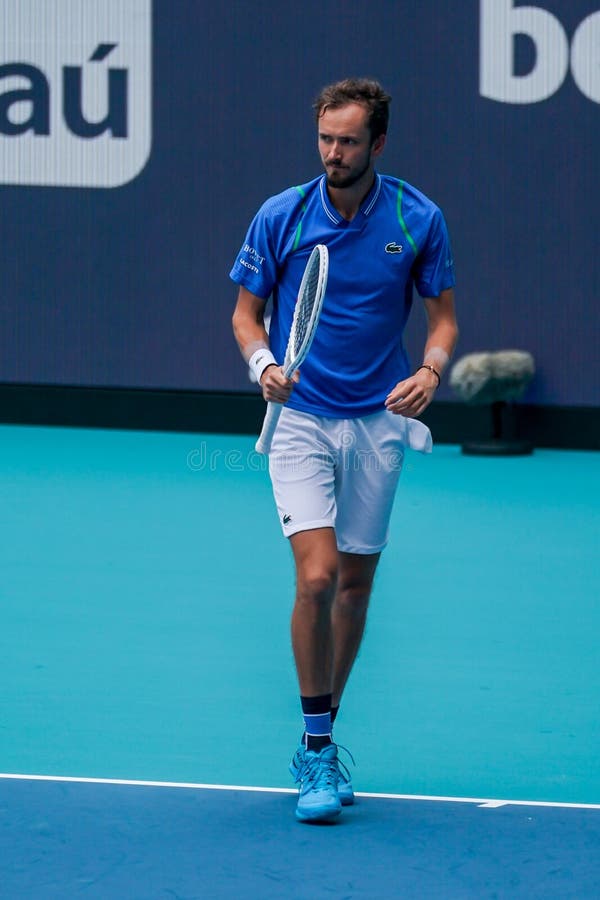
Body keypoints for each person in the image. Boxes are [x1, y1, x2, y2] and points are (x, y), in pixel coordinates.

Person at [230, 78, 458, 823]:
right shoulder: (283, 214)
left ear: (378, 144)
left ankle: (322, 733)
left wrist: (429, 369)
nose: (333, 152)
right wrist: (265, 366)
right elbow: (245, 315)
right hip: (299, 420)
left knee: (356, 588)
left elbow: (443, 321)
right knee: (319, 577)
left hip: (379, 422)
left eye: (349, 141)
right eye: (325, 138)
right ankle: (317, 753)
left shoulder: (416, 217)